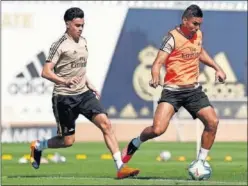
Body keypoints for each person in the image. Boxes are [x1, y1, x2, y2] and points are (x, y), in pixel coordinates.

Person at [29, 7, 140, 179]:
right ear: (67, 24)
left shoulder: (84, 41)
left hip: (84, 94)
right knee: (67, 142)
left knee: (106, 124)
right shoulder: (60, 45)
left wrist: (90, 83)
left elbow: (80, 69)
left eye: (83, 25)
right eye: (77, 25)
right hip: (64, 97)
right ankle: (38, 146)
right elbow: (45, 71)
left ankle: (120, 167)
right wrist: (63, 81)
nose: (81, 29)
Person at [122, 4, 226, 167]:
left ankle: (200, 163)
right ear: (185, 20)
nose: (197, 28)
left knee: (212, 122)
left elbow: (199, 51)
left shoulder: (198, 34)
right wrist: (155, 76)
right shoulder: (171, 38)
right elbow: (157, 63)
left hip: (194, 91)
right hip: (173, 92)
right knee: (157, 130)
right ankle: (136, 142)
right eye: (194, 24)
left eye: (199, 24)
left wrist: (217, 68)